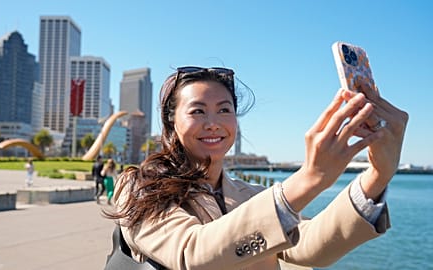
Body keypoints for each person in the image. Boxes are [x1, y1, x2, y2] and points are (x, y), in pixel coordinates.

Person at [107, 66, 408, 269]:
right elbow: (190, 253)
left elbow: (310, 246)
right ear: (171, 123)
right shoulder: (139, 187)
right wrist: (309, 178)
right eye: (197, 111)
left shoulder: (250, 195)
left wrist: (377, 175)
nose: (213, 122)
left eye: (224, 110)